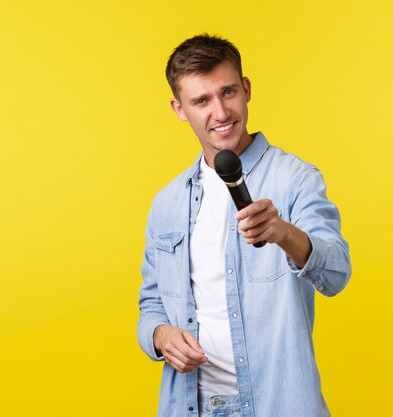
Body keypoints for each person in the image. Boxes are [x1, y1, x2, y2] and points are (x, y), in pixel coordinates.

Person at [137, 34, 352, 417]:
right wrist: (160, 335)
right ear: (179, 109)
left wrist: (283, 233)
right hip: (190, 405)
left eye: (228, 92)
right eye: (201, 101)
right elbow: (151, 304)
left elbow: (336, 273)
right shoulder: (166, 203)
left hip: (279, 404)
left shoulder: (295, 179)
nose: (220, 112)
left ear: (246, 89)